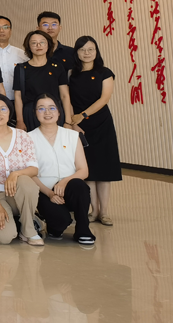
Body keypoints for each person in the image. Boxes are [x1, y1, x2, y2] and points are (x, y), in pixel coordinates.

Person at [0, 93, 42, 246]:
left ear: (9, 111)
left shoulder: (23, 136)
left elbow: (34, 169)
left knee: (26, 182)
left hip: (17, 192)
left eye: (3, 109)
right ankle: (20, 220)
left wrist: (15, 174)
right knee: (4, 238)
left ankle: (28, 229)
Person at [28, 95, 95, 244]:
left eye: (52, 108)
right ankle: (52, 224)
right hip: (44, 191)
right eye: (41, 109)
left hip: (69, 188)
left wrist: (64, 182)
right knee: (60, 222)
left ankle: (83, 229)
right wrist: (49, 193)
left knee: (79, 185)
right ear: (35, 113)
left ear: (59, 112)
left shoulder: (72, 136)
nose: (47, 112)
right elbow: (30, 174)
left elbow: (83, 170)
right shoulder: (28, 138)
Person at [69, 36, 121, 227]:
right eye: (82, 49)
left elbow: (104, 98)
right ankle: (94, 210)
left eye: (91, 49)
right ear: (76, 52)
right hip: (80, 127)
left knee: (104, 170)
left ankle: (104, 212)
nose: (87, 53)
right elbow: (67, 99)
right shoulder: (71, 74)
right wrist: (73, 122)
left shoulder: (105, 73)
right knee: (88, 170)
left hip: (101, 124)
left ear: (96, 51)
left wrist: (82, 115)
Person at [13, 30, 73, 131]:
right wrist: (20, 121)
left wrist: (68, 121)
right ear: (28, 46)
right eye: (34, 43)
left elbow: (65, 95)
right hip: (31, 113)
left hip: (54, 112)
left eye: (42, 42)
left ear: (48, 45)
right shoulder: (21, 69)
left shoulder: (57, 67)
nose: (38, 45)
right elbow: (18, 97)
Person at [0, 16, 28, 100]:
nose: (1, 30)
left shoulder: (23, 55)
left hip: (20, 101)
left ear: (10, 31)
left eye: (6, 27)